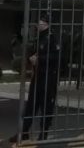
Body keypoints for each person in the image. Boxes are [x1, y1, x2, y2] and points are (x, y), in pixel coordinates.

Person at [13, 13, 60, 142]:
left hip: (48, 78)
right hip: (37, 76)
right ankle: (24, 132)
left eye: (40, 22)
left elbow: (57, 58)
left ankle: (43, 133)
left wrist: (40, 59)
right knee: (31, 106)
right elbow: (35, 52)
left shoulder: (52, 38)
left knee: (46, 107)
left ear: (46, 24)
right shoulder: (39, 38)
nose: (37, 25)